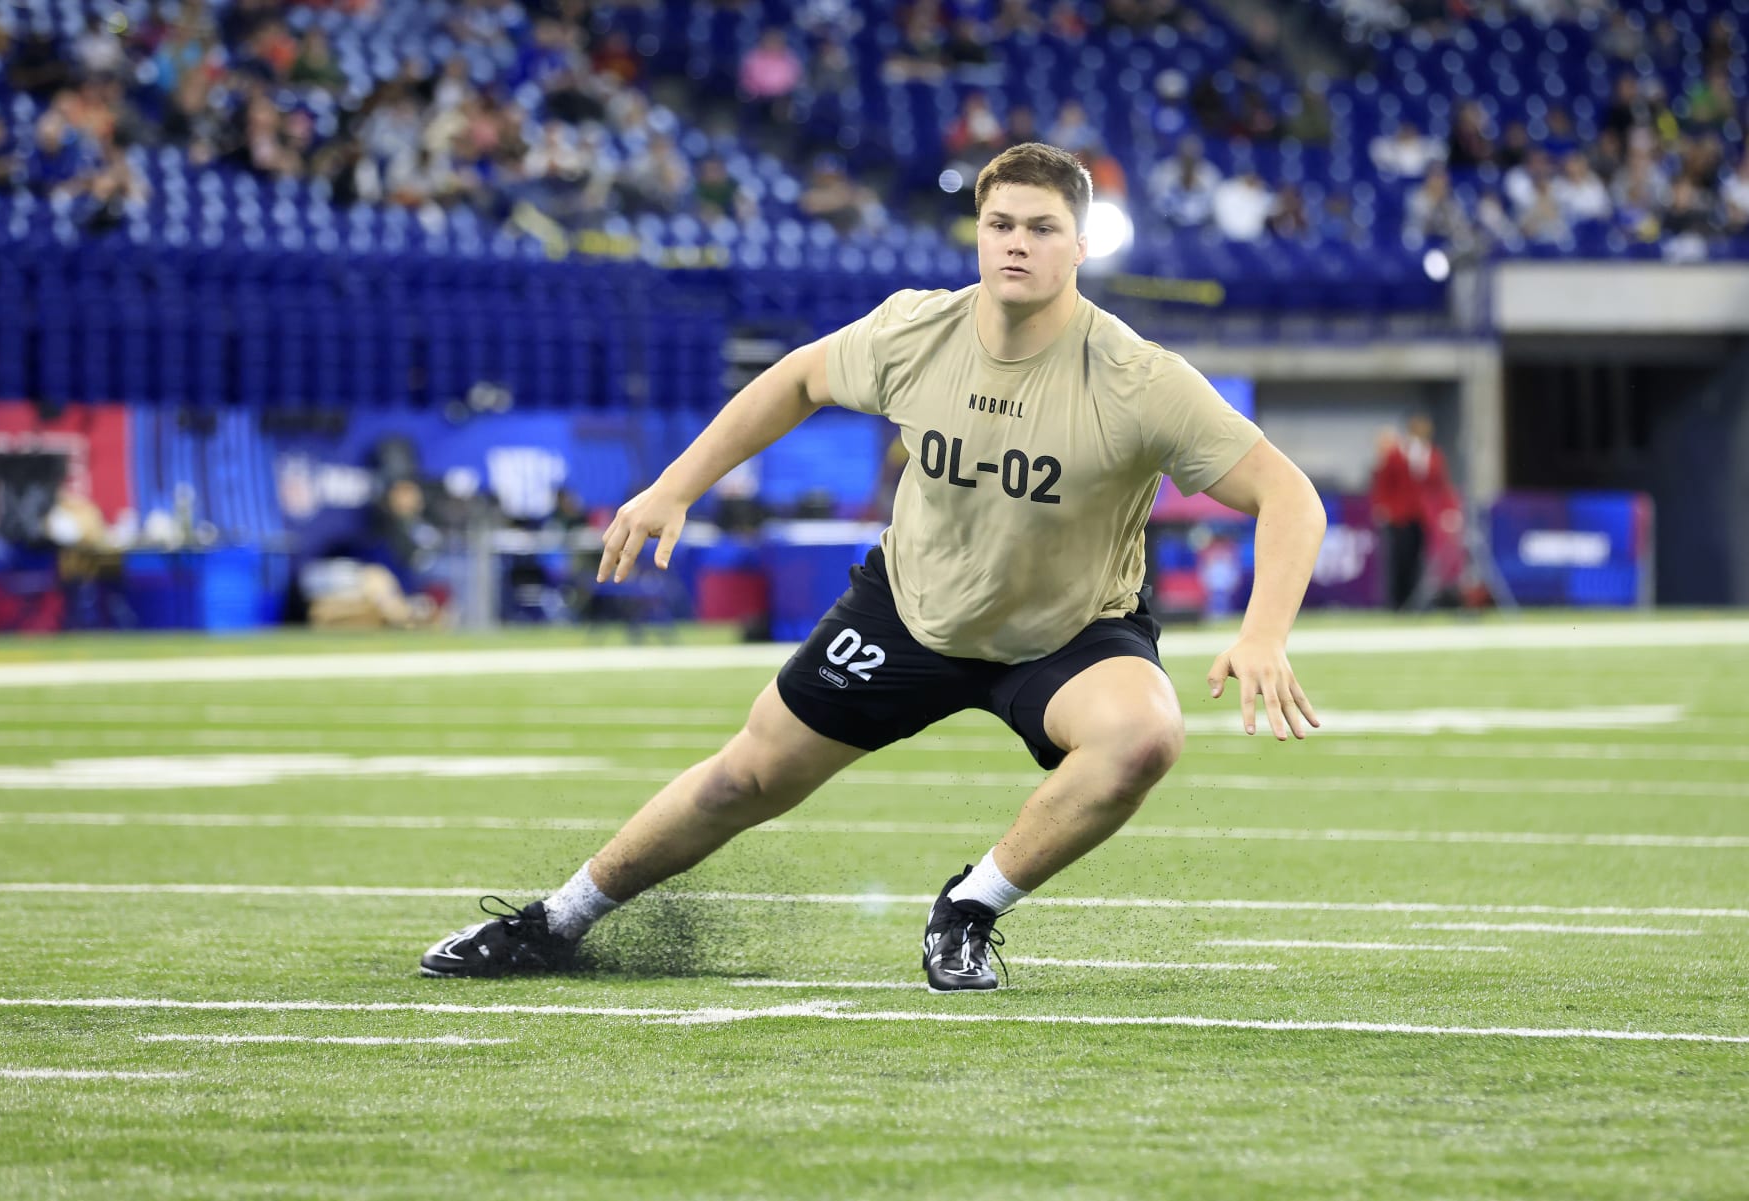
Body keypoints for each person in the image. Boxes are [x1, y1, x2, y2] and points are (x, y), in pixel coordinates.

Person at [421, 143, 1326, 992]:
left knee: (1145, 736)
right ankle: (556, 920)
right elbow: (797, 379)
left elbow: (1289, 496)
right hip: (911, 609)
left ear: (1080, 246)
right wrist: (673, 486)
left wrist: (1264, 631)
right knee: (744, 777)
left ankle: (970, 907)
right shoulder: (915, 329)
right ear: (977, 232)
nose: (1017, 244)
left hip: (1066, 631)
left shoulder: (1137, 376)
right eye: (1000, 224)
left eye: (1042, 228)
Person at [1369, 414, 1450, 611]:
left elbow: (1440, 486)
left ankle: (1414, 603)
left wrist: (1447, 510)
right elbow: (1383, 482)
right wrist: (1382, 506)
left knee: (1418, 557)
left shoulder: (1433, 455)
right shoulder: (1397, 453)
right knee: (1400, 557)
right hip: (1399, 514)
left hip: (1423, 515)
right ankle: (1397, 601)